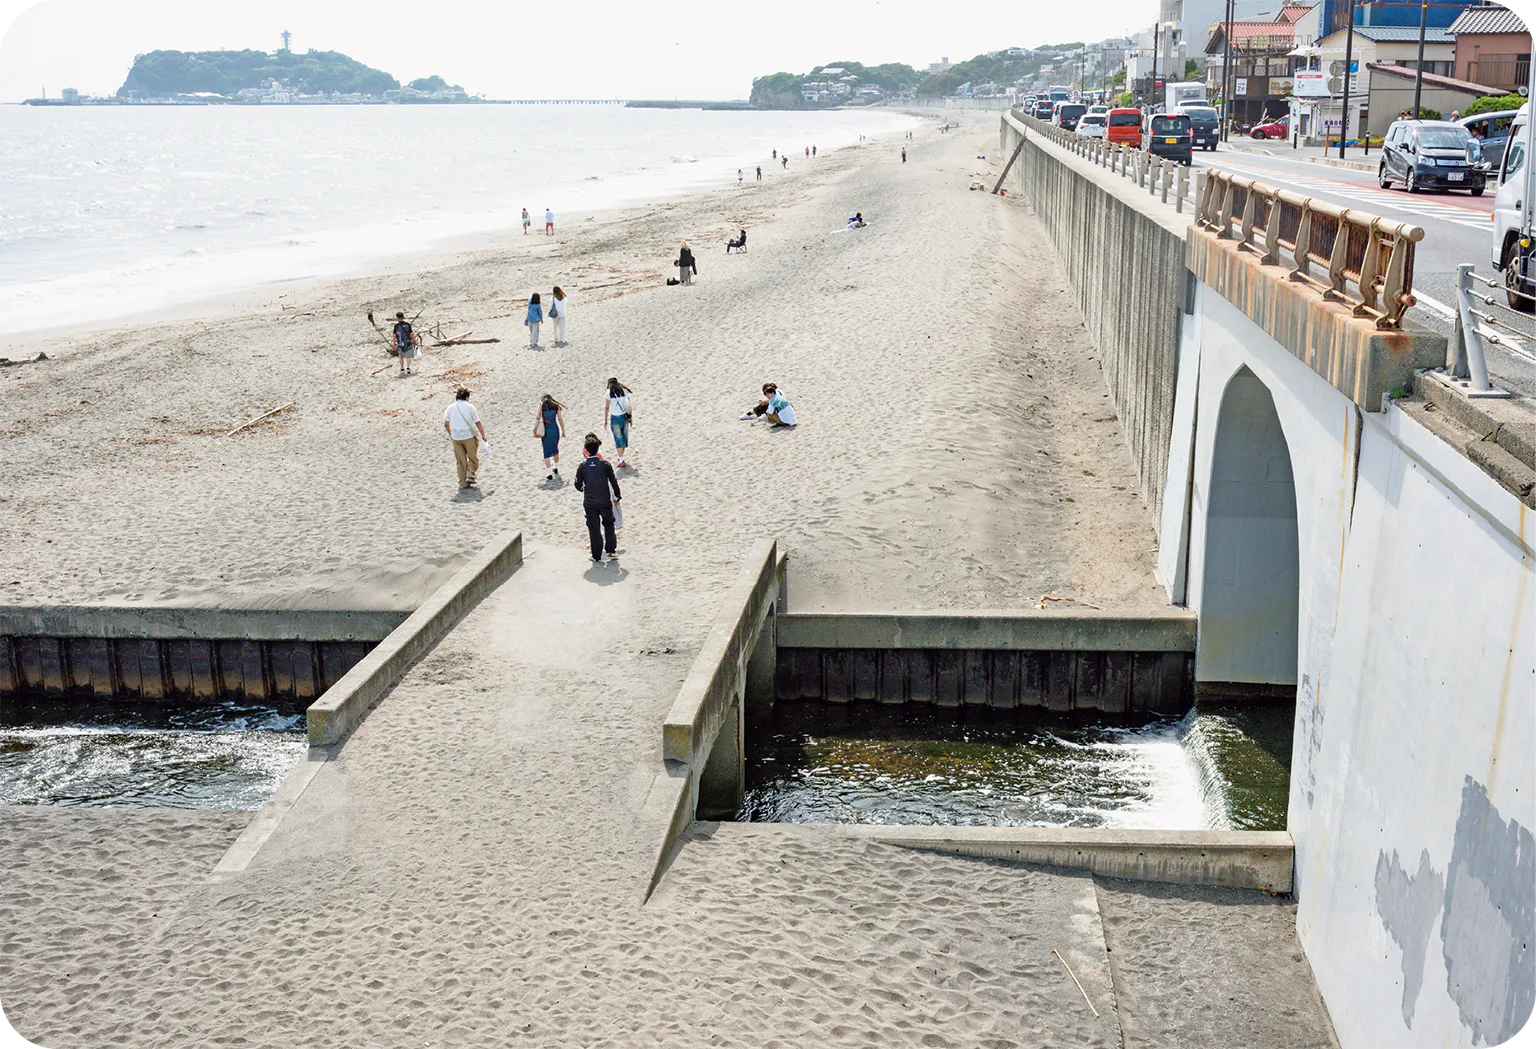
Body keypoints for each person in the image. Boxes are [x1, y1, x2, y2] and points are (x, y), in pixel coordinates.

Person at [573, 433, 621, 563]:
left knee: (593, 527)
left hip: (590, 502)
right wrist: (617, 496)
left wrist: (585, 489)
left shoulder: (582, 466)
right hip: (604, 500)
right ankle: (611, 550)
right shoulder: (605, 464)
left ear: (586, 450)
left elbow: (577, 484)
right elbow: (613, 481)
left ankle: (596, 555)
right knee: (608, 524)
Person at [443, 386, 487, 489]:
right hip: (468, 436)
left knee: (460, 460)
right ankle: (470, 474)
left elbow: (445, 424)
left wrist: (451, 434)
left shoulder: (450, 408)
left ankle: (462, 482)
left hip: (456, 437)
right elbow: (477, 423)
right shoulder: (470, 407)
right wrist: (483, 435)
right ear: (467, 397)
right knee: (473, 458)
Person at [603, 377, 633, 467]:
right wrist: (631, 418)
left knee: (618, 438)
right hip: (624, 416)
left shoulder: (608, 393)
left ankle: (621, 459)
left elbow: (607, 407)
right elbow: (629, 406)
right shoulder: (624, 391)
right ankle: (621, 457)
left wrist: (605, 420)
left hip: (615, 418)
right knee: (623, 437)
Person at [535, 394, 565, 480]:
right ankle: (555, 467)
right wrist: (563, 431)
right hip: (555, 430)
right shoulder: (556, 407)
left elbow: (537, 417)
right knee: (555, 449)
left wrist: (539, 407)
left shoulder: (542, 407)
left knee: (546, 452)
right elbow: (560, 419)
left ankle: (549, 473)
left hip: (546, 432)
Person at [392, 311, 421, 377]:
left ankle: (402, 368)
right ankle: (408, 368)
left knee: (401, 356)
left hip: (400, 343)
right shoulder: (407, 325)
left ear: (397, 318)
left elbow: (394, 335)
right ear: (403, 317)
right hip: (408, 342)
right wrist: (415, 341)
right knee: (408, 356)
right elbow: (411, 334)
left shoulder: (396, 326)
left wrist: (394, 344)